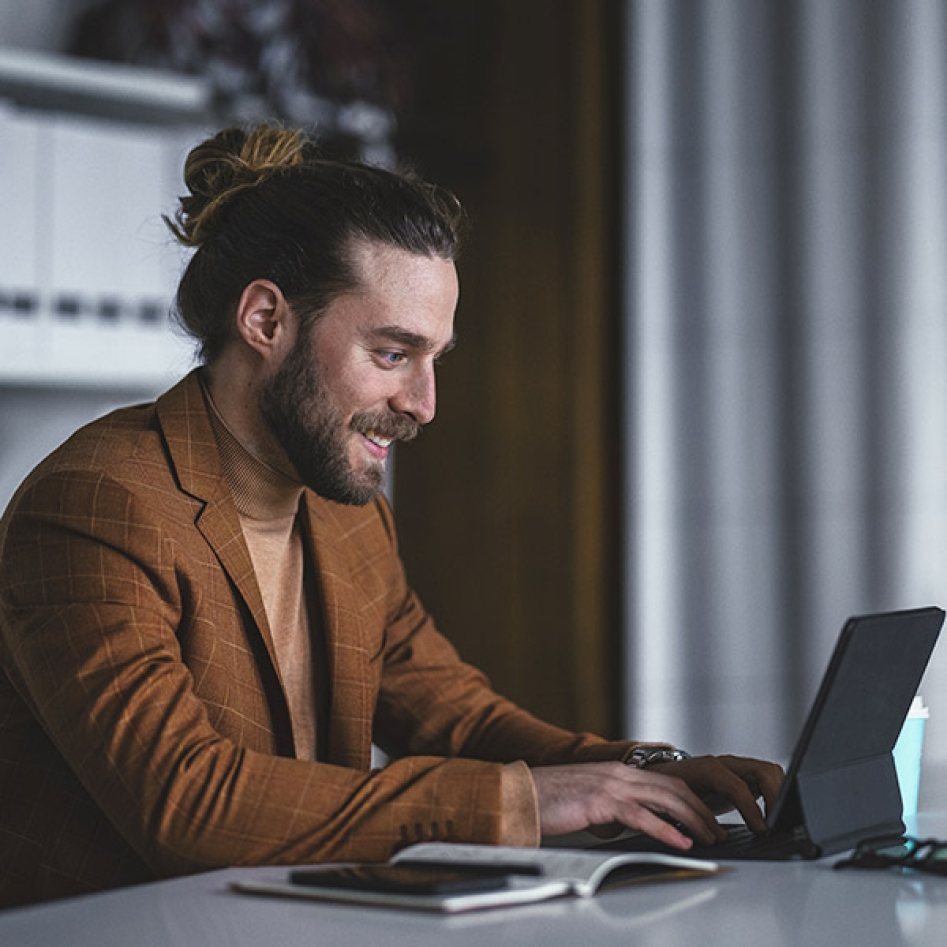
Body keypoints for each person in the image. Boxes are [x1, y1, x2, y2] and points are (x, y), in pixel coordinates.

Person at [0, 125, 783, 908]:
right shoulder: (96, 506)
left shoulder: (347, 518)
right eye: (391, 354)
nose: (423, 404)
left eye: (434, 358)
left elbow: (458, 720)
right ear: (266, 321)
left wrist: (648, 773)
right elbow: (186, 801)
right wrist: (519, 803)